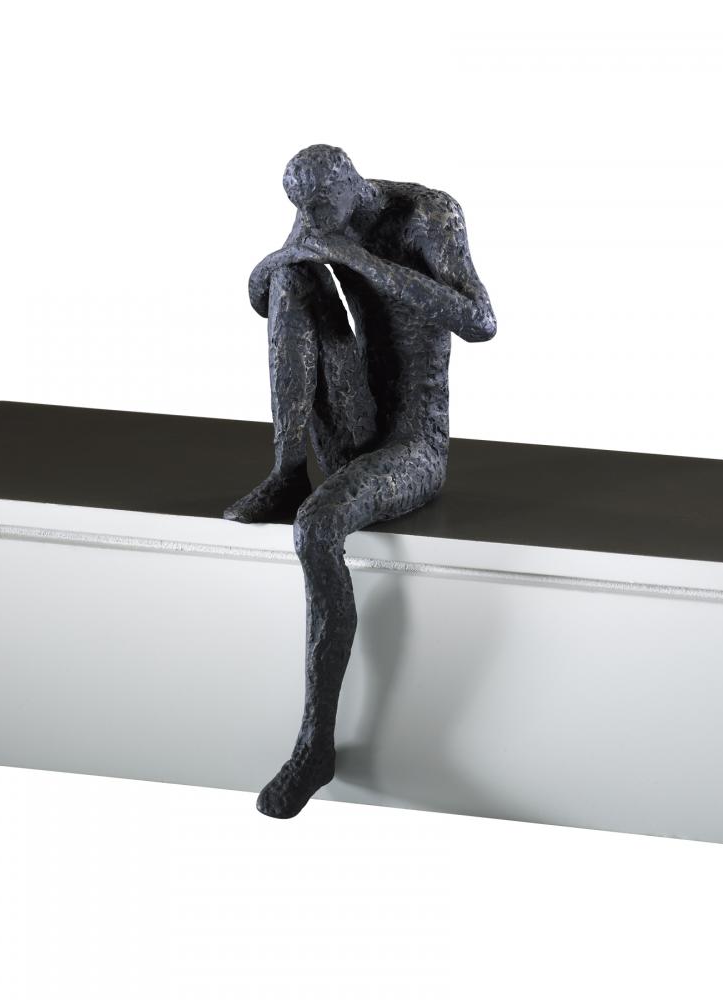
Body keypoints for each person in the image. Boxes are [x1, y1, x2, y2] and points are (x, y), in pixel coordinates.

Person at [225, 144, 497, 818]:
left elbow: (480, 321)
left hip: (413, 442)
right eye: (307, 211)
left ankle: (315, 743)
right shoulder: (323, 209)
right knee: (292, 283)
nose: (317, 220)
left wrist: (362, 262)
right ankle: (287, 469)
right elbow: (263, 294)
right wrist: (287, 259)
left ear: (351, 181)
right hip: (351, 420)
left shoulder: (428, 215)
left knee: (318, 529)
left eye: (324, 208)